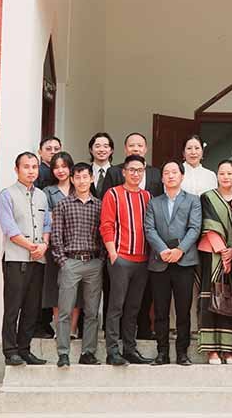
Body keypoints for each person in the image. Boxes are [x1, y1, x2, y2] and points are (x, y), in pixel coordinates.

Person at [143, 160, 202, 366]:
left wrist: (180, 250)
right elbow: (149, 229)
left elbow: (195, 228)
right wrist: (163, 250)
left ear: (182, 176)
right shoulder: (154, 202)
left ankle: (182, 353)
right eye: (166, 172)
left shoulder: (193, 200)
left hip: (184, 261)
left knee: (183, 310)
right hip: (160, 261)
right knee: (160, 311)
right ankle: (162, 353)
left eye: (174, 172)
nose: (170, 176)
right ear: (162, 178)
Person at [0, 152, 51, 366]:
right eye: (26, 167)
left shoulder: (42, 196)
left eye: (34, 167)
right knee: (13, 307)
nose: (31, 171)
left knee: (32, 308)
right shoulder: (6, 195)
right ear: (16, 169)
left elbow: (47, 224)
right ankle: (10, 351)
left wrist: (44, 245)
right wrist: (31, 247)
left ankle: (24, 349)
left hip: (38, 260)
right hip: (16, 259)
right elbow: (10, 228)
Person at [100, 154, 153, 366]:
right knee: (116, 306)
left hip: (142, 260)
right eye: (132, 169)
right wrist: (113, 253)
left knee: (133, 308)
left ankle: (130, 349)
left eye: (139, 170)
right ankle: (112, 351)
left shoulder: (147, 196)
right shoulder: (113, 194)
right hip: (121, 258)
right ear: (123, 172)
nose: (135, 174)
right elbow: (106, 225)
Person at [50, 162, 104, 367]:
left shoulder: (99, 205)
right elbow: (56, 236)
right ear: (72, 180)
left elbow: (104, 234)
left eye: (85, 177)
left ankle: (88, 353)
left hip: (93, 263)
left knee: (92, 312)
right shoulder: (63, 205)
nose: (82, 181)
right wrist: (62, 261)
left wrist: (101, 260)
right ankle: (63, 353)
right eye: (78, 177)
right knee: (65, 310)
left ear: (91, 179)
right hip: (70, 262)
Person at [198, 160, 232, 364]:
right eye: (222, 173)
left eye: (229, 173)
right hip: (212, 255)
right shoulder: (208, 197)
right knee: (211, 299)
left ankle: (228, 350)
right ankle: (212, 350)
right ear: (217, 175)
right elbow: (208, 225)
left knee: (231, 300)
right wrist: (223, 251)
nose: (225, 177)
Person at [43, 152, 76, 337]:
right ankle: (59, 329)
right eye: (56, 167)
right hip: (56, 245)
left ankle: (72, 329)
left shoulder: (79, 186)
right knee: (57, 288)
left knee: (77, 289)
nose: (61, 170)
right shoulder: (48, 191)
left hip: (78, 245)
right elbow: (48, 218)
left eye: (64, 166)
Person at [99, 133, 164, 197]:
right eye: (131, 145)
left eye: (140, 146)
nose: (135, 149)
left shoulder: (156, 173)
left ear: (145, 149)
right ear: (125, 149)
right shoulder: (113, 172)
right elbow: (105, 198)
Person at [88, 132, 114, 198]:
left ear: (111, 150)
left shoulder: (118, 173)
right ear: (91, 150)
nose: (101, 150)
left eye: (106, 146)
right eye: (97, 146)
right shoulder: (85, 172)